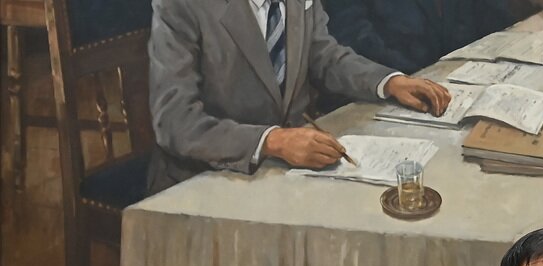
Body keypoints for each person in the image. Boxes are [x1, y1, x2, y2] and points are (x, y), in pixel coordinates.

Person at [148, 0, 451, 194]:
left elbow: (324, 55)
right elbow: (175, 122)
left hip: (287, 174)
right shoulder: (181, 5)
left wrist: (388, 82)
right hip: (205, 181)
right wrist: (273, 141)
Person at [322, 0, 543, 75]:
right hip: (389, 89)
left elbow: (491, 15)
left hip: (464, 79)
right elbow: (353, 40)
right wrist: (413, 79)